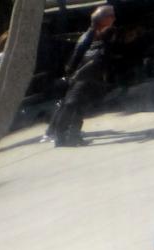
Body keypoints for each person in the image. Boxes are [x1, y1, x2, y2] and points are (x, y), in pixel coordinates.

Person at [49, 5, 117, 147]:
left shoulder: (102, 33)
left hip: (90, 75)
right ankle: (61, 135)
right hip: (82, 75)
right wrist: (71, 73)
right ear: (102, 19)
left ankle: (73, 135)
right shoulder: (90, 35)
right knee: (72, 104)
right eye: (111, 16)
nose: (114, 18)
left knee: (79, 106)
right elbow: (77, 55)